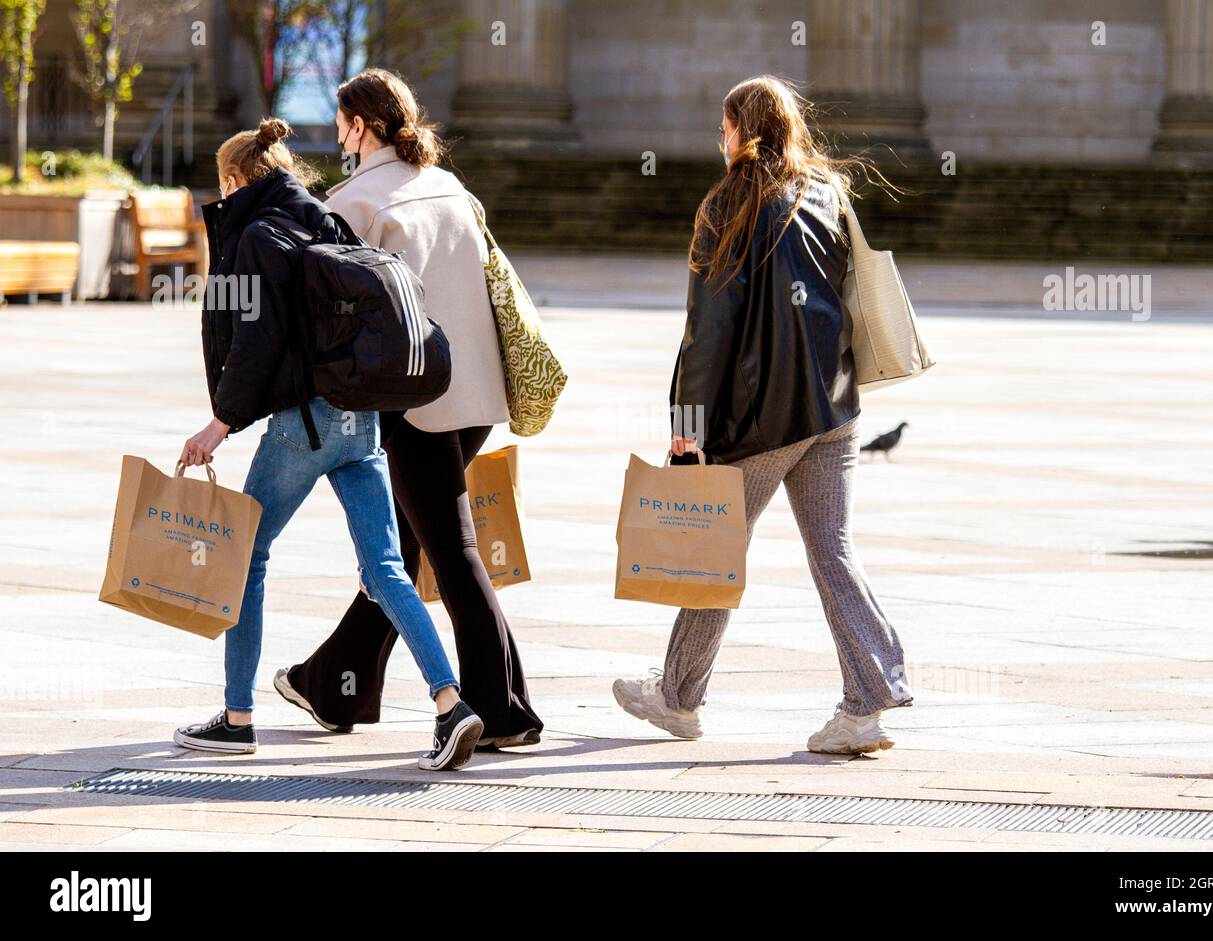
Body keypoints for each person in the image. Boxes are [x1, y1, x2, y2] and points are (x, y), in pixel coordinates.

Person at [612, 76, 914, 755]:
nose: (717, 143)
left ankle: (678, 698)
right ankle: (866, 700)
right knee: (832, 549)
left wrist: (687, 421)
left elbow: (709, 328)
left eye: (722, 128)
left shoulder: (730, 203)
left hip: (764, 418)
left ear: (740, 132)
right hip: (834, 407)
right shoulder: (828, 195)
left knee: (719, 548)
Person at [172, 118, 483, 771]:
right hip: (359, 420)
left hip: (302, 427)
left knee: (245, 558)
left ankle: (236, 718)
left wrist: (218, 424)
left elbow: (256, 345)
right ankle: (451, 702)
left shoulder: (257, 235)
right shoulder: (320, 215)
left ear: (233, 180)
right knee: (385, 569)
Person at [270, 69, 544, 750]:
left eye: (340, 123)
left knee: (450, 554)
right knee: (409, 546)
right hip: (477, 396)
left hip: (413, 401)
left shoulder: (356, 203)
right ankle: (336, 678)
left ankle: (503, 711)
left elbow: (326, 316)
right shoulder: (450, 187)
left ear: (360, 127)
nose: (337, 135)